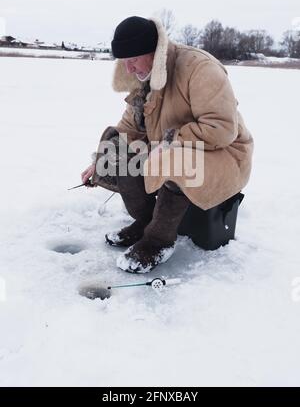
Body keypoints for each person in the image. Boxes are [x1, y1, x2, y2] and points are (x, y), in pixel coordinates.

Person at [81, 16, 253, 273]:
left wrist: (170, 143)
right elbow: (128, 129)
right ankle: (146, 222)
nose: (129, 69)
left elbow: (222, 129)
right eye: (124, 62)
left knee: (174, 158)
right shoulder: (144, 77)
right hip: (174, 148)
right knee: (119, 151)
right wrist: (100, 162)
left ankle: (158, 240)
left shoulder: (199, 68)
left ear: (153, 52)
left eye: (134, 60)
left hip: (225, 153)